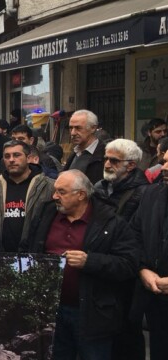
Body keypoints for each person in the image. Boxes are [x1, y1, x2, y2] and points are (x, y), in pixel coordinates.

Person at [20, 170, 138, 359]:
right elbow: (26, 248)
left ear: (81, 195)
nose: (54, 196)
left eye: (61, 192)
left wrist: (89, 261)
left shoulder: (111, 222)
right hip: (50, 312)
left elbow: (129, 264)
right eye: (55, 191)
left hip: (92, 315)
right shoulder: (45, 214)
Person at [91, 139, 148, 360]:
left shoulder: (144, 193)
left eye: (114, 161)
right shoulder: (99, 188)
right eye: (106, 159)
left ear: (131, 165)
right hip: (101, 266)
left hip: (127, 271)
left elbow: (138, 235)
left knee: (127, 331)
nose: (107, 164)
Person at [0, 141, 54, 252]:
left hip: (35, 254)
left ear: (28, 158)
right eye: (7, 156)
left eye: (17, 155)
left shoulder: (48, 186)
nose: (11, 160)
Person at [129, 149, 168, 360]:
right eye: (164, 161)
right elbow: (134, 235)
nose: (164, 168)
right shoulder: (152, 195)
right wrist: (143, 269)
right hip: (155, 298)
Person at [63, 109, 105, 184]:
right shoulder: (74, 154)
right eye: (71, 128)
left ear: (93, 128)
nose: (73, 133)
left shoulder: (105, 155)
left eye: (78, 128)